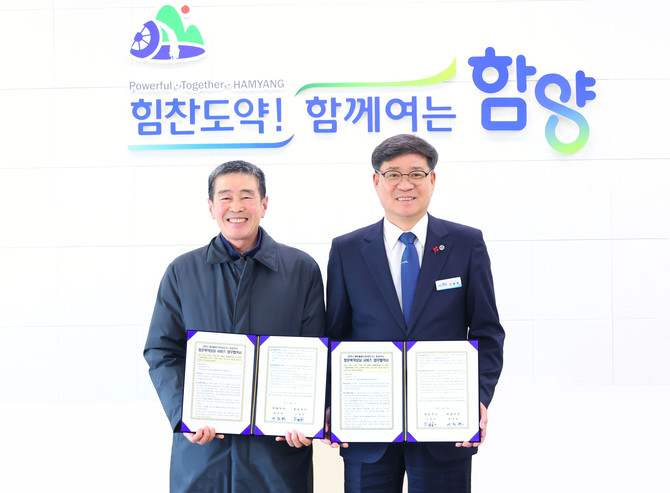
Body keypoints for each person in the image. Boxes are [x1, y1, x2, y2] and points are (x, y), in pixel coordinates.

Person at [324, 134, 505, 493]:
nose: (405, 184)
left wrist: (478, 397)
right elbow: (335, 335)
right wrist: (330, 402)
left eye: (416, 174)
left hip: (445, 427)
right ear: (376, 181)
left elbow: (487, 332)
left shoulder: (466, 244)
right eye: (393, 174)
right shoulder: (347, 249)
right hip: (367, 429)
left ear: (432, 180)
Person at [144, 160, 326, 493]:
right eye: (225, 197)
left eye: (247, 196)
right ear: (211, 207)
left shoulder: (301, 270)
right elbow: (161, 350)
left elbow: (315, 354)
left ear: (264, 204)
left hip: (276, 456)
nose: (236, 206)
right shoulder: (183, 271)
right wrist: (183, 415)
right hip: (203, 453)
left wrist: (309, 417)